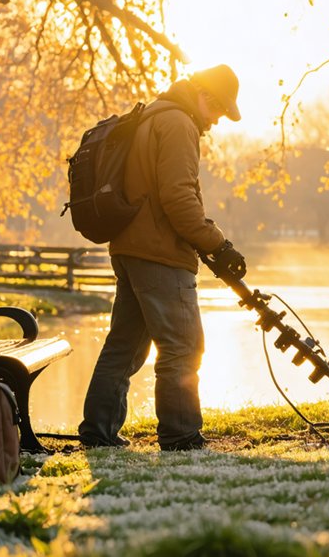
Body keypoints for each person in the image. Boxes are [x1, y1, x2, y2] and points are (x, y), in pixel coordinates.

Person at [79, 64, 247, 451]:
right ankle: (181, 436)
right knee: (183, 346)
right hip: (159, 255)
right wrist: (217, 242)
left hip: (131, 248)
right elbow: (178, 197)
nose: (218, 120)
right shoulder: (177, 124)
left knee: (124, 346)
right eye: (220, 109)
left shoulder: (152, 115)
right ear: (205, 96)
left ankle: (98, 432)